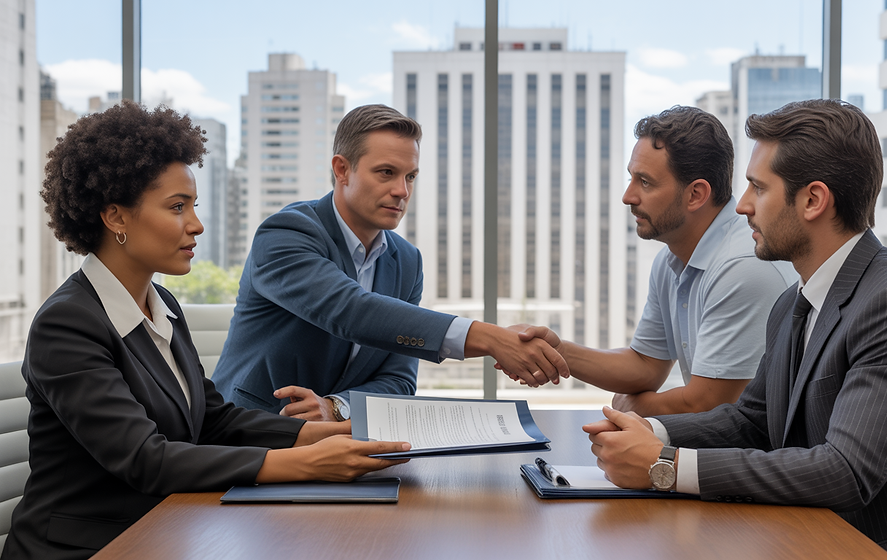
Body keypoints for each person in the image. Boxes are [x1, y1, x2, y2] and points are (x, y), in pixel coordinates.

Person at [1, 101, 412, 560]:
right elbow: (146, 458)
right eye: (177, 207)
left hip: (168, 527)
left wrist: (321, 435)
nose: (196, 225)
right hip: (90, 547)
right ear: (115, 217)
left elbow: (214, 420)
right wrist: (303, 462)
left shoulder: (162, 306)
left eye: (193, 206)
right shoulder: (67, 323)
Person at [584, 99, 887, 560]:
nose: (743, 206)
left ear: (813, 200)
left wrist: (665, 465)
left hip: (882, 549)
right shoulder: (794, 301)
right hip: (810, 535)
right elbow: (751, 421)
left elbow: (846, 471)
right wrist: (651, 431)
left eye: (758, 188)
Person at [212, 104, 567, 421]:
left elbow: (398, 380)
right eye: (386, 173)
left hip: (341, 444)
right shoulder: (286, 233)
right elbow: (350, 311)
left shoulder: (407, 262)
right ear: (342, 169)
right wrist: (490, 338)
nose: (402, 191)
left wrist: (335, 407)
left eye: (410, 176)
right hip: (249, 434)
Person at [511, 106, 795, 415]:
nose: (628, 196)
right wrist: (556, 350)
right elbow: (646, 365)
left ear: (696, 195)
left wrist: (634, 405)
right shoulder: (670, 261)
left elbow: (708, 403)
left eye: (645, 182)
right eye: (631, 178)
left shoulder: (742, 266)